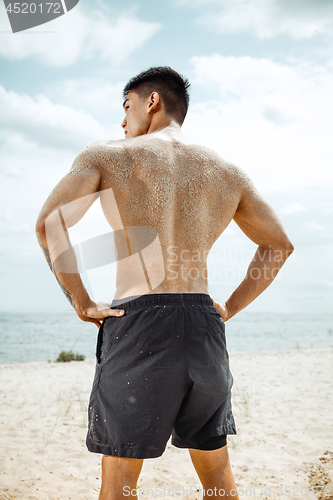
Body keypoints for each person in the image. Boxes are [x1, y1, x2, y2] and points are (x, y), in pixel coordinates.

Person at [35, 66, 294, 499]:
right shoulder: (227, 171)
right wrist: (228, 306)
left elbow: (49, 225)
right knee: (215, 471)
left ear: (151, 101)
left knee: (120, 480)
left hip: (139, 323)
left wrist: (81, 301)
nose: (122, 121)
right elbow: (279, 245)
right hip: (203, 323)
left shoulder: (107, 155)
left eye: (126, 106)